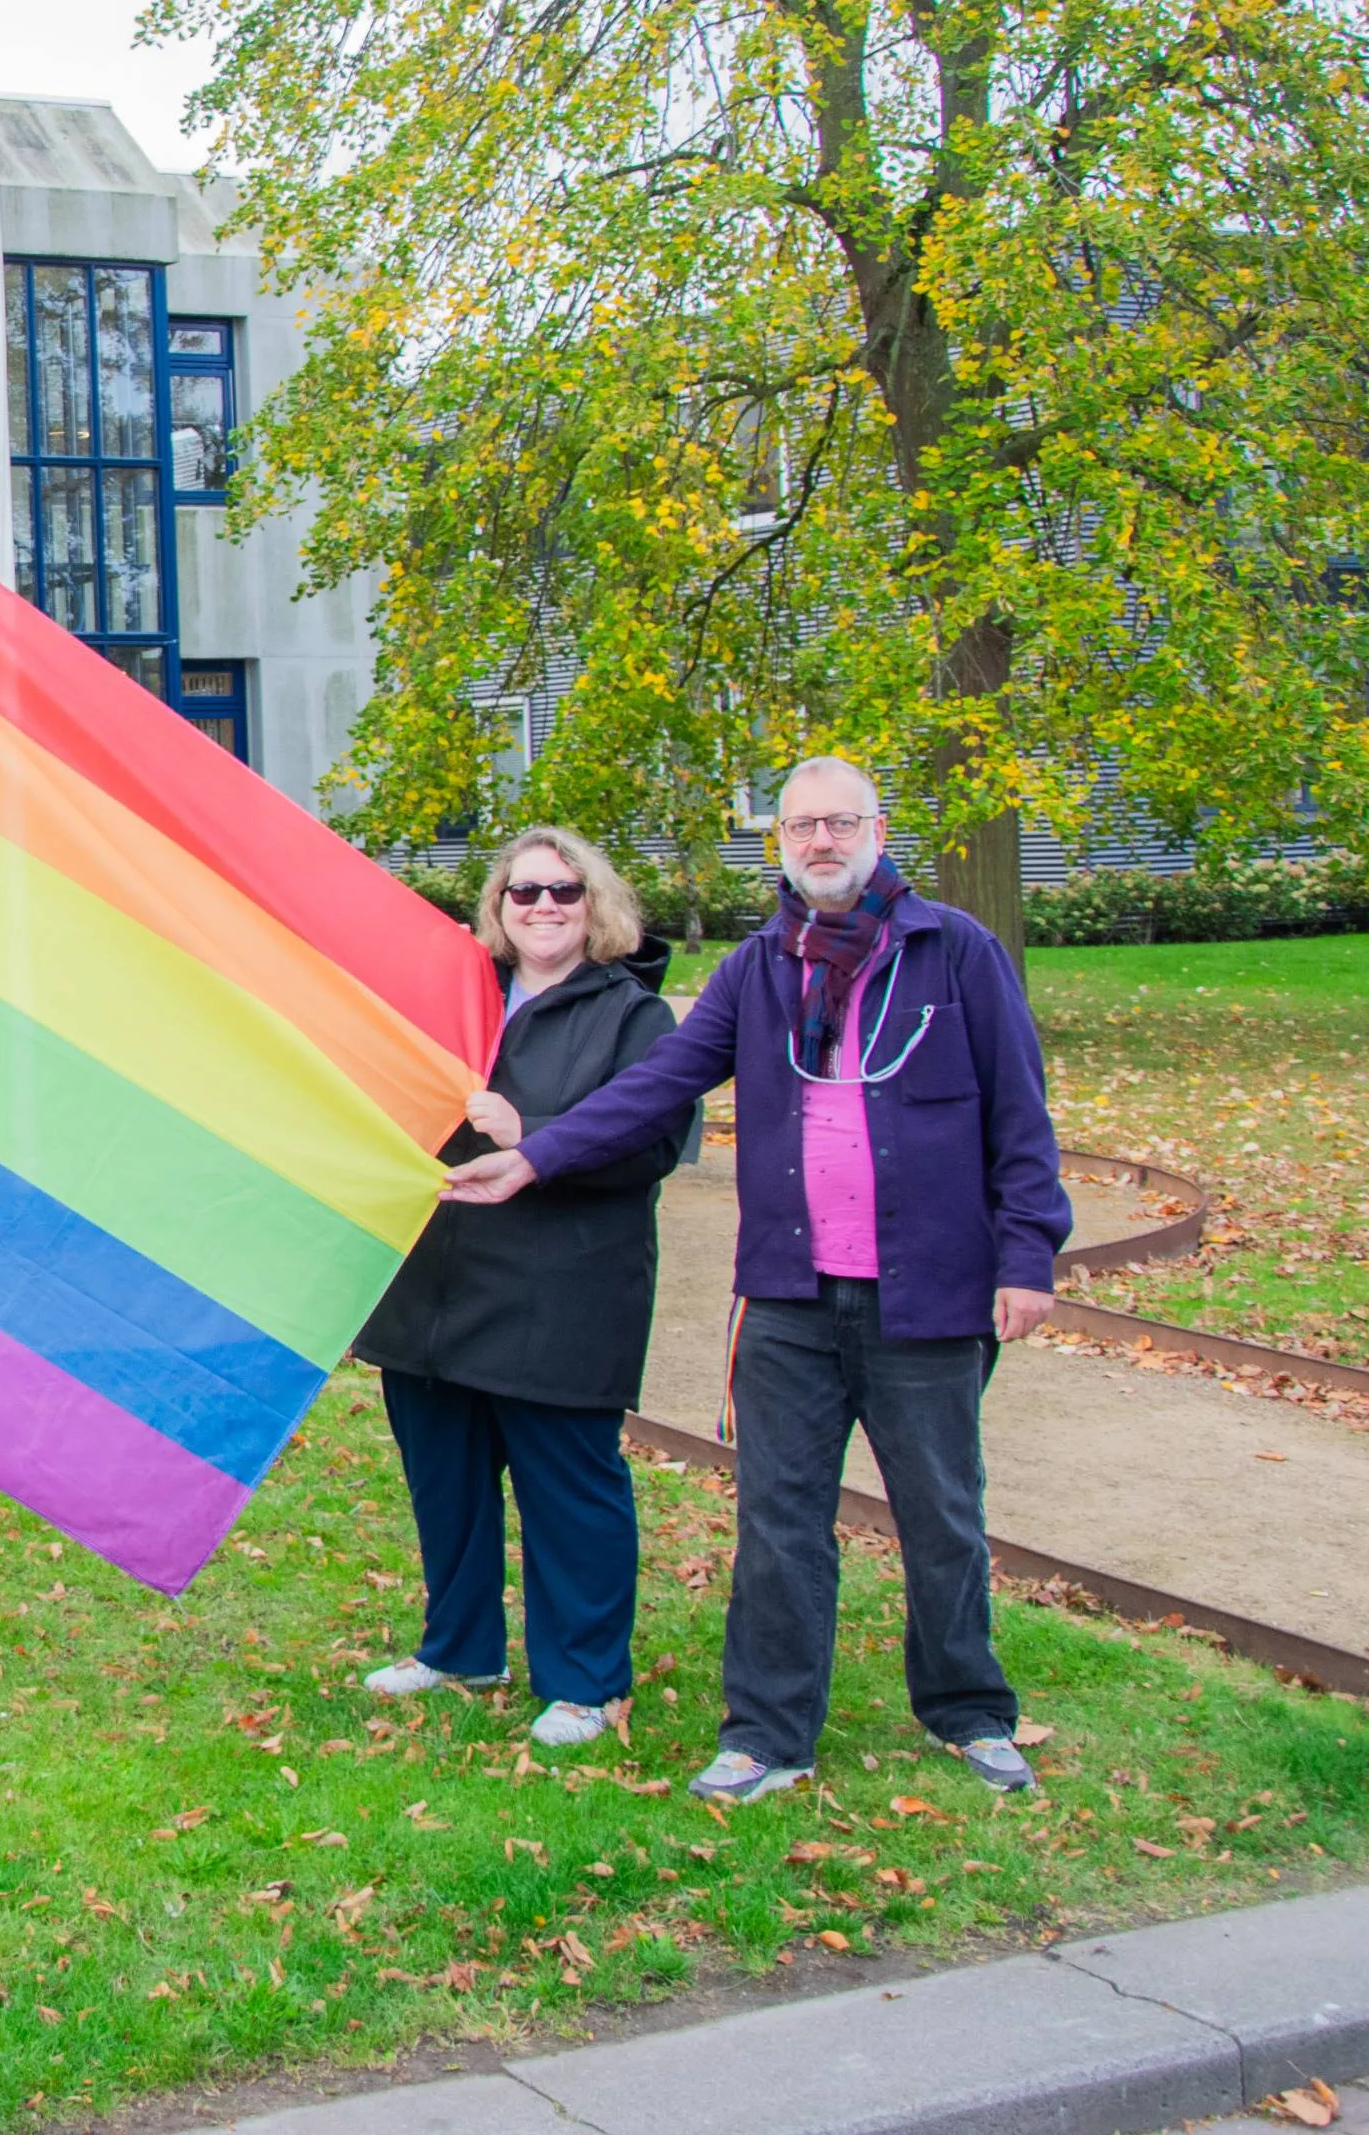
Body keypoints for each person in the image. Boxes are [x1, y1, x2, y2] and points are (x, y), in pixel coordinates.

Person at [444, 756, 1072, 1803]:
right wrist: (540, 1152)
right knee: (779, 1520)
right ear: (778, 840)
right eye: (800, 827)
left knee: (942, 1513)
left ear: (877, 828)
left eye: (839, 823)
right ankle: (768, 1734)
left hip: (927, 1294)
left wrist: (1028, 1252)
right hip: (787, 1295)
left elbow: (1021, 1112)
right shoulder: (760, 968)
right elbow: (659, 1085)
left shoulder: (953, 953)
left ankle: (969, 1710)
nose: (820, 843)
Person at [352, 827, 693, 1748]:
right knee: (447, 1485)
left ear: (598, 908)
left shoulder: (633, 1017)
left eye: (565, 892)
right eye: (524, 892)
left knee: (568, 1494)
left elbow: (657, 1143)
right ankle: (460, 1649)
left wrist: (531, 1131)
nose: (544, 907)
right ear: (497, 909)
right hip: (433, 1289)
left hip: (562, 1296)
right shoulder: (457, 1001)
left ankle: (584, 1683)